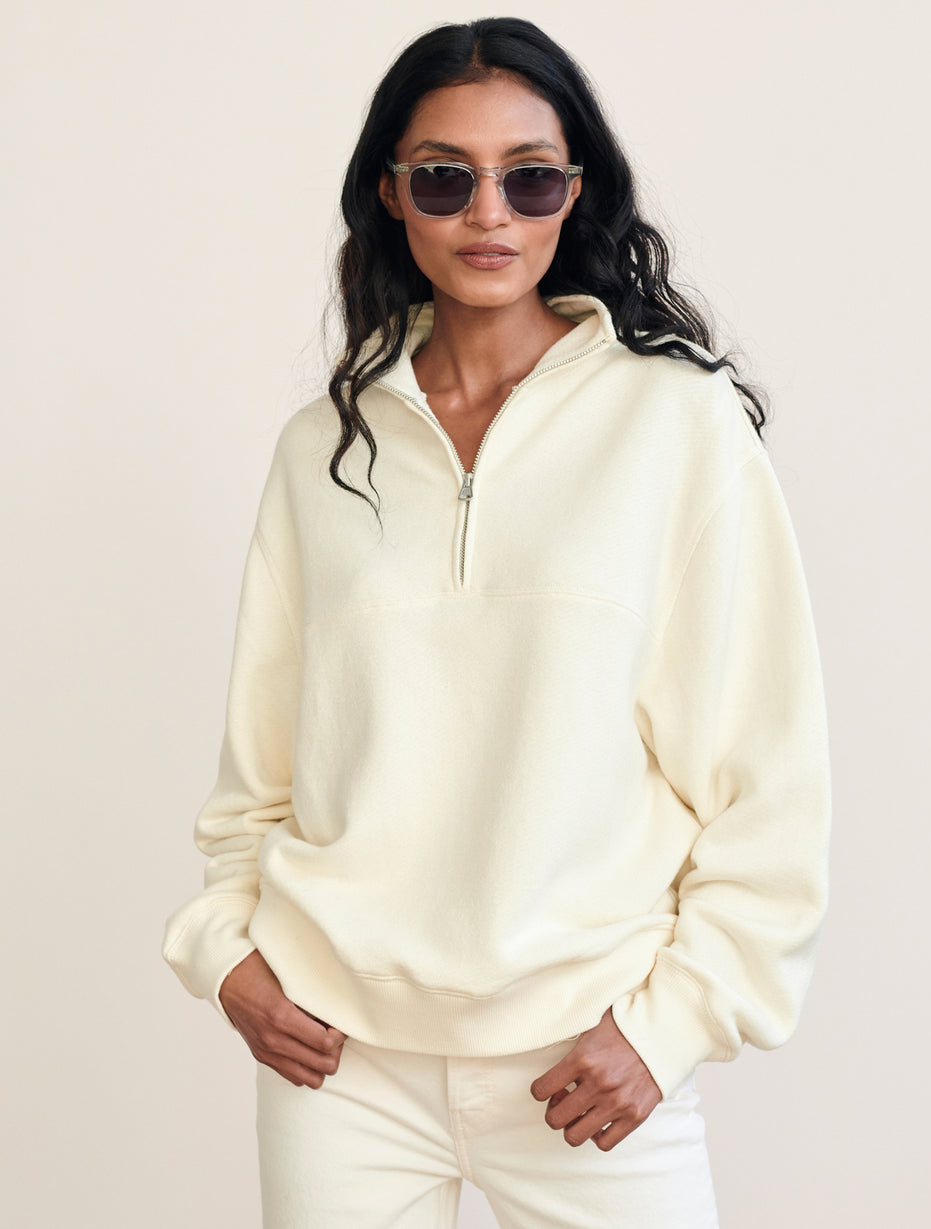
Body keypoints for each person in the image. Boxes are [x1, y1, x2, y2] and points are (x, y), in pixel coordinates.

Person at [163, 16, 831, 1228]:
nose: (488, 213)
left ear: (574, 192)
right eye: (443, 178)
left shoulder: (675, 424)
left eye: (528, 178)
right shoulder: (322, 450)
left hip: (587, 1051)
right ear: (391, 193)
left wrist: (672, 1021)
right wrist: (226, 953)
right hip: (340, 1061)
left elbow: (767, 777)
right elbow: (257, 777)